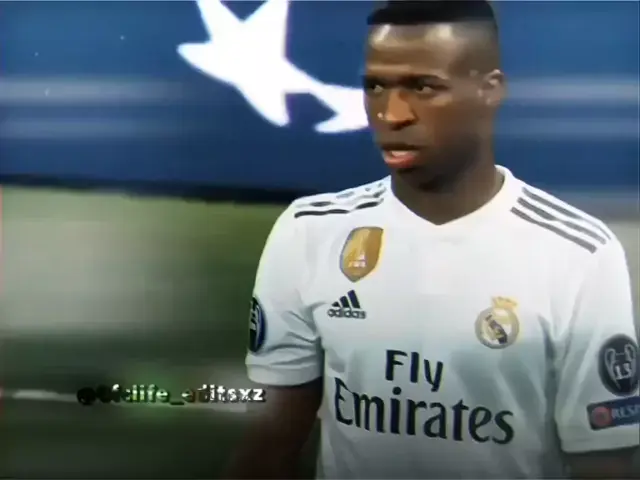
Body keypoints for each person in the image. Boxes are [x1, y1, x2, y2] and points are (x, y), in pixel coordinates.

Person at [225, 1, 639, 478]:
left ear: (489, 90)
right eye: (375, 86)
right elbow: (271, 439)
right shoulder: (309, 232)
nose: (392, 113)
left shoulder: (579, 253)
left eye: (423, 87)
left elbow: (603, 463)